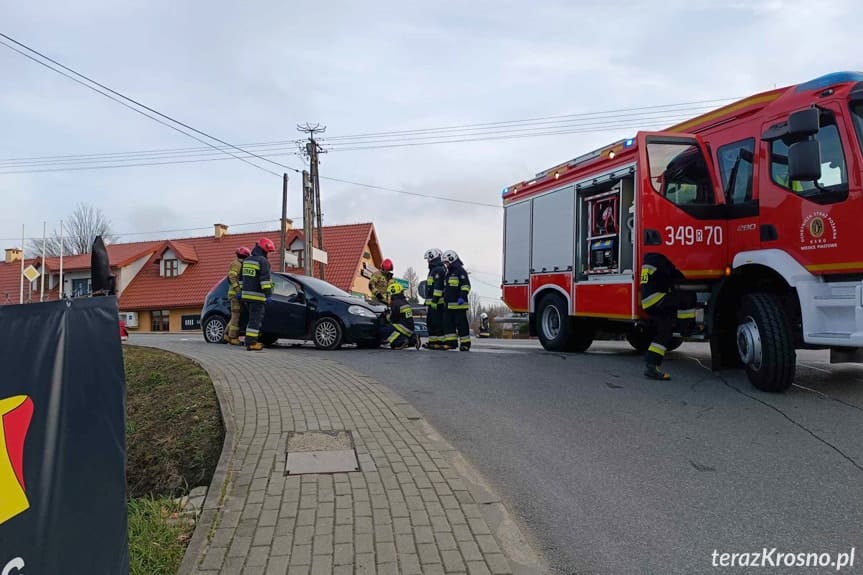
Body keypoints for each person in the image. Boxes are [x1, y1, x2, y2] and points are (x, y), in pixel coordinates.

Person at [639, 251, 695, 380]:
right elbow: (674, 276)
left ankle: (651, 366)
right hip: (656, 299)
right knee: (688, 296)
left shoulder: (648, 262)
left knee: (665, 330)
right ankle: (685, 327)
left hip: (649, 302)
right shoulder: (660, 261)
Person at [241, 237, 276, 351]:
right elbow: (265, 281)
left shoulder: (247, 260)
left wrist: (241, 291)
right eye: (268, 252)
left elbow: (242, 279)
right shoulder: (263, 262)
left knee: (251, 319)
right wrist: (268, 294)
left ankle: (249, 341)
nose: (268, 254)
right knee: (255, 320)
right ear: (264, 250)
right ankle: (251, 343)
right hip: (257, 296)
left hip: (246, 296)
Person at [442, 250, 471, 351]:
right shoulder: (448, 273)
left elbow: (466, 285)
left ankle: (465, 344)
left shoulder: (460, 271)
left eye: (446, 262)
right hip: (449, 305)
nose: (446, 265)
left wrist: (462, 297)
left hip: (459, 305)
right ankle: (451, 343)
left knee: (462, 325)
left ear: (451, 259)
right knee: (448, 325)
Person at [225, 246, 251, 345]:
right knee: (236, 317)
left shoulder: (239, 263)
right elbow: (232, 277)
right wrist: (238, 290)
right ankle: (233, 338)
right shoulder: (237, 264)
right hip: (235, 295)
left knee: (234, 316)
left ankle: (227, 334)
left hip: (235, 294)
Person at [385, 282, 421, 350]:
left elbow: (393, 319)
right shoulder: (404, 301)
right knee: (394, 341)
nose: (389, 296)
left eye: (389, 293)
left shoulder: (395, 303)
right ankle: (413, 339)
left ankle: (401, 341)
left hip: (403, 327)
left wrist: (387, 316)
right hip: (410, 328)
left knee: (384, 329)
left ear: (393, 292)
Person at [423, 248, 446, 350]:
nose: (427, 261)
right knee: (431, 322)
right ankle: (433, 342)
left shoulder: (438, 270)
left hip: (437, 303)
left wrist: (435, 301)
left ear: (432, 258)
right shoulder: (434, 270)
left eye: (428, 259)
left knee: (437, 323)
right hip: (432, 303)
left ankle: (439, 342)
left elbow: (437, 287)